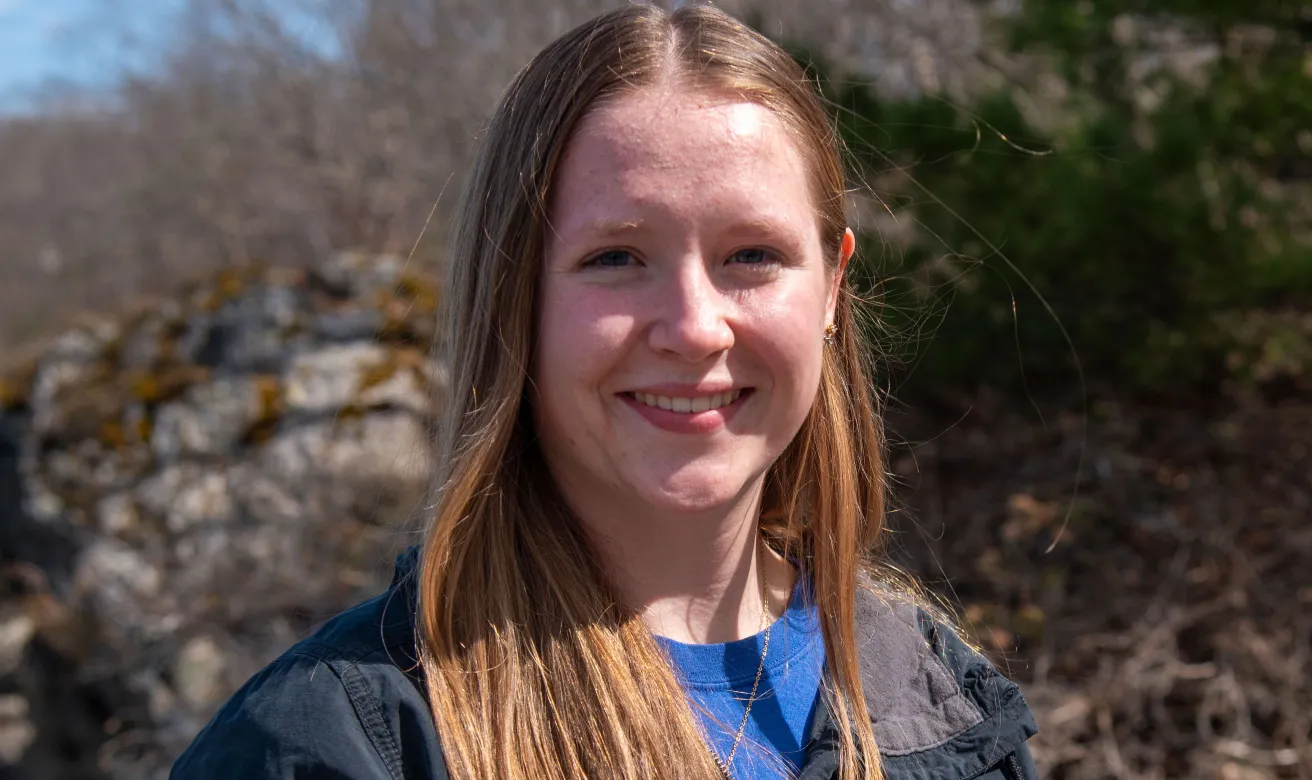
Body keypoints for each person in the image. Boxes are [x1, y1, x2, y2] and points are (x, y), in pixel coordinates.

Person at [167, 4, 1039, 779]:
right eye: (615, 258)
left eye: (753, 256)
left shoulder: (939, 703)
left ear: (832, 291)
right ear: (515, 299)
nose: (696, 326)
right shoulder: (346, 740)